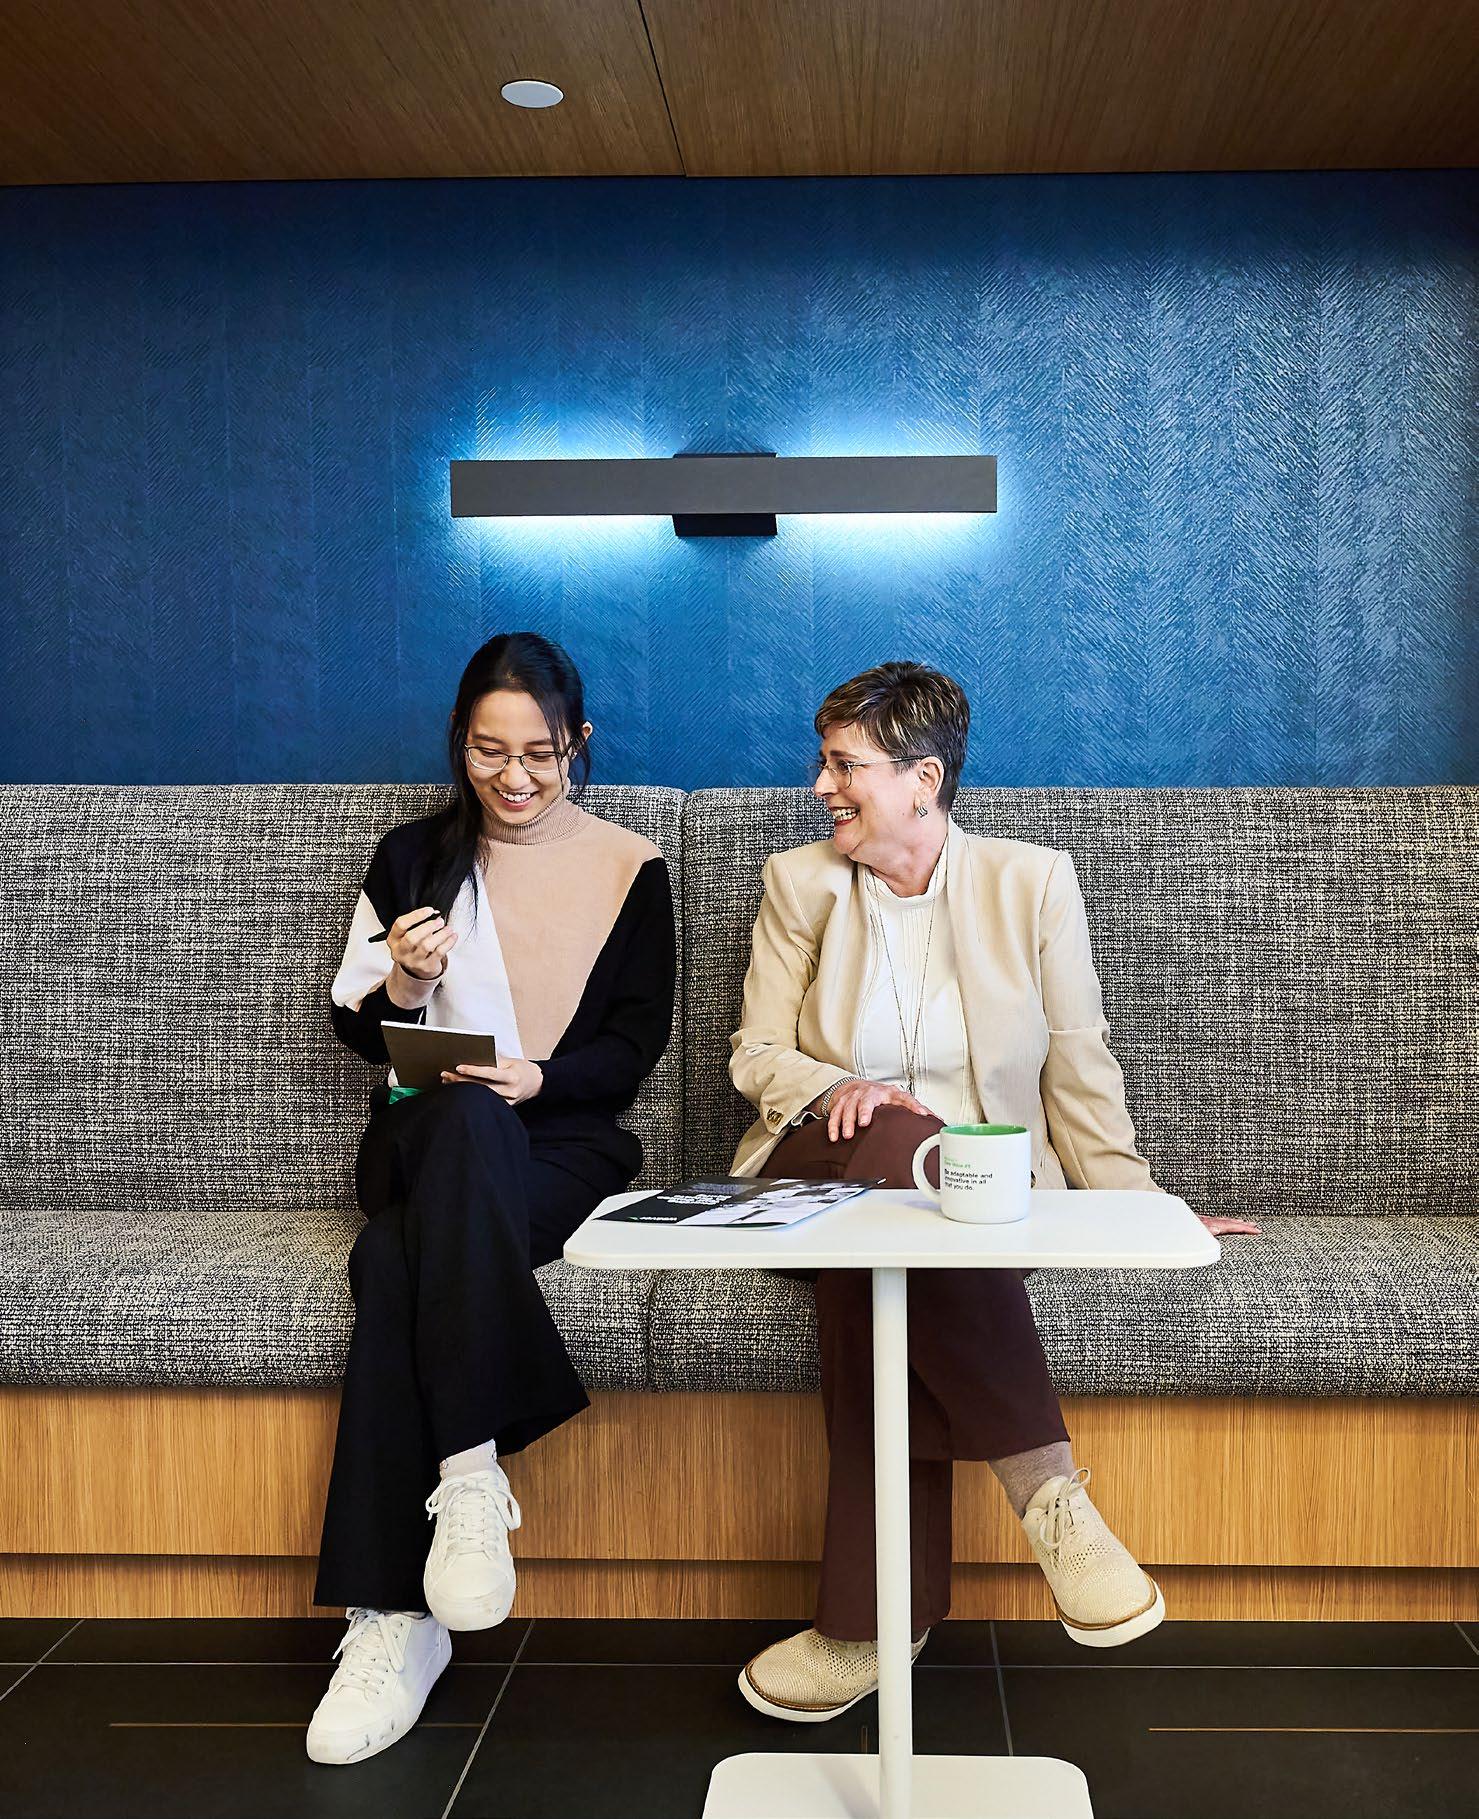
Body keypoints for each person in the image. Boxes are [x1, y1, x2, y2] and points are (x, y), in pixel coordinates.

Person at [728, 661, 1261, 1722]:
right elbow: (756, 1051)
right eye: (824, 762)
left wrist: (1136, 1206)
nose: (822, 785)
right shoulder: (800, 883)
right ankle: (1054, 1501)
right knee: (892, 1144)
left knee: (880, 1278)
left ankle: (868, 1629)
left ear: (922, 780)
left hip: (968, 1206)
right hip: (815, 1171)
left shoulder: (1032, 881)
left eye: (845, 765)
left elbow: (1077, 1062)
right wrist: (840, 1088)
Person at [306, 632, 676, 1765]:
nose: (514, 777)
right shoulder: (412, 856)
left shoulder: (632, 865)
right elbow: (358, 1027)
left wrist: (539, 1079)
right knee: (461, 1117)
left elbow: (634, 1045)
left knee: (390, 1261)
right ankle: (470, 1478)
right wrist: (405, 980)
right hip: (422, 1135)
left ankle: (392, 1617)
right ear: (459, 743)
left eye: (540, 754)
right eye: (487, 752)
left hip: (559, 1141)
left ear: (578, 742)